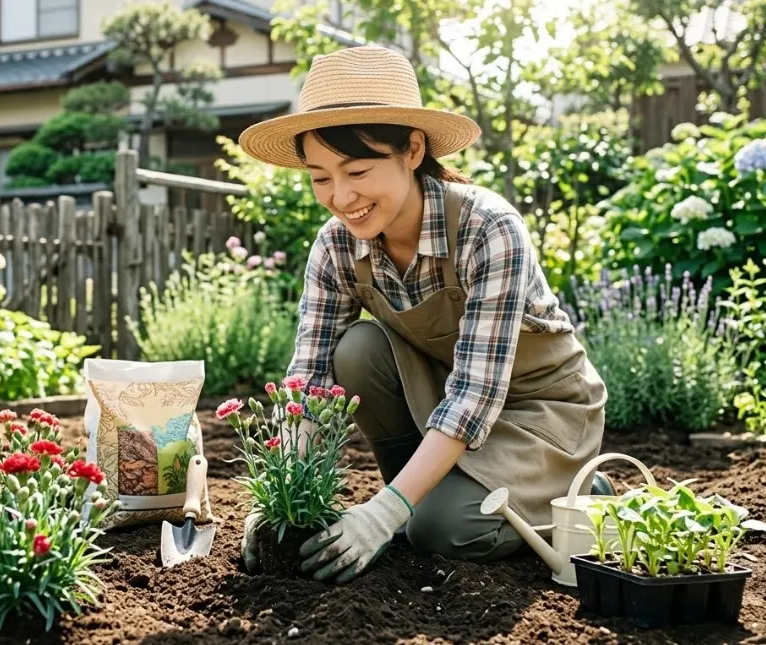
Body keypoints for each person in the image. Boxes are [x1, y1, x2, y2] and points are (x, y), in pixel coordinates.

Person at [234, 44, 612, 584]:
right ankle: (423, 496)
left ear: (412, 150)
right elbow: (310, 381)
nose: (341, 197)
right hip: (447, 400)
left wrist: (382, 513)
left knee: (443, 530)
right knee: (357, 351)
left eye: (357, 169)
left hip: (539, 411)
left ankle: (576, 493)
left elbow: (475, 396)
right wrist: (283, 500)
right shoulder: (337, 247)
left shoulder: (488, 228)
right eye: (320, 177)